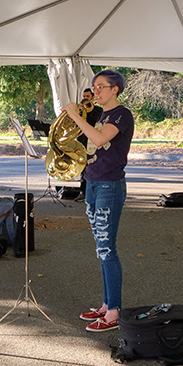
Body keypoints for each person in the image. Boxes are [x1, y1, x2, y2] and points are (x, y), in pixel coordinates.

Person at [62, 70, 134, 333]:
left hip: (109, 184)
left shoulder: (121, 115)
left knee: (107, 248)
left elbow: (100, 138)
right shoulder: (102, 114)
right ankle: (106, 304)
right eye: (94, 87)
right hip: (93, 181)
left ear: (115, 89)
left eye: (101, 87)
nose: (95, 91)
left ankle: (114, 311)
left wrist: (75, 116)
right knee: (100, 248)